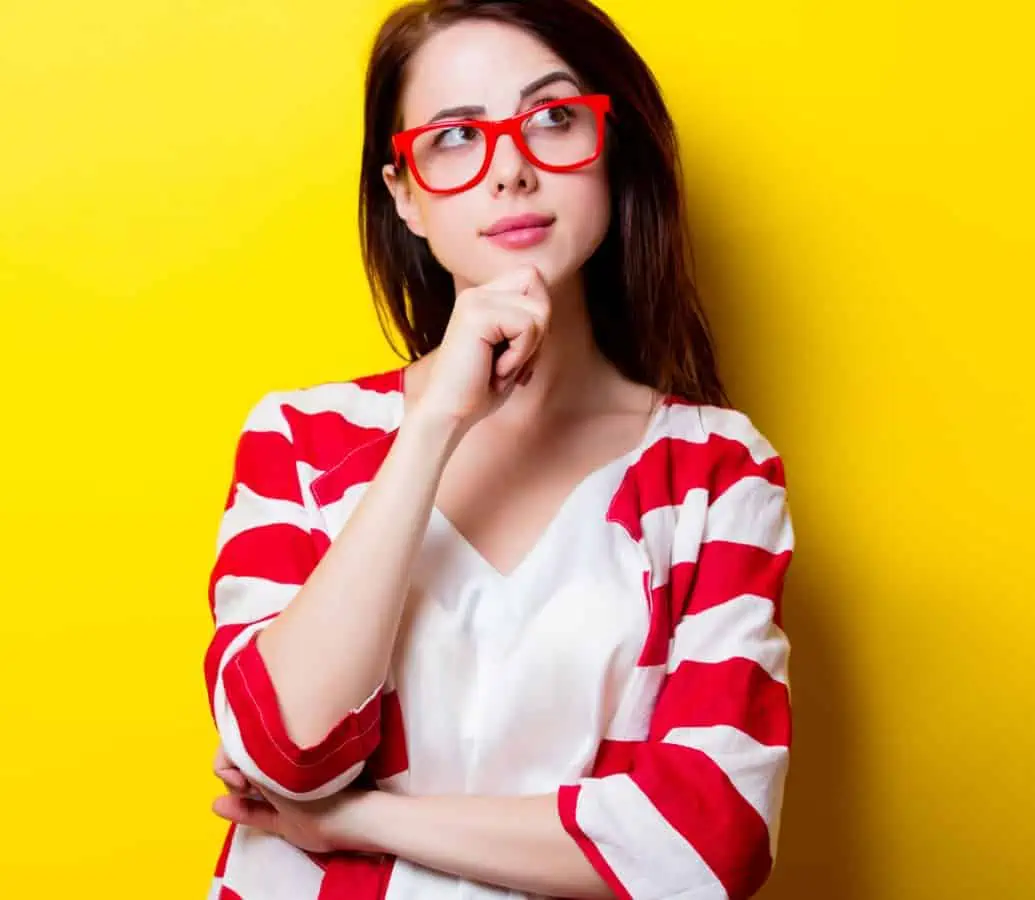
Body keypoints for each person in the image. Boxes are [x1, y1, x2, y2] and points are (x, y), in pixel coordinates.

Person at [201, 2, 794, 898]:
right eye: (453, 138)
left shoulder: (716, 473)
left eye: (554, 119)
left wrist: (351, 821)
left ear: (609, 149)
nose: (511, 170)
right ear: (403, 193)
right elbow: (286, 751)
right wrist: (434, 424)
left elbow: (707, 845)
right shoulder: (300, 442)